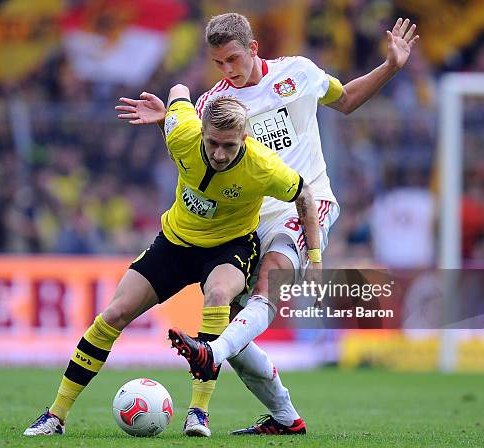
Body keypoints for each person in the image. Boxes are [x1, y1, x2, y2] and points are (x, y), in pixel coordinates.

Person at [116, 13, 419, 436]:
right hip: (246, 223)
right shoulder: (213, 104)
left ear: (254, 48)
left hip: (306, 204)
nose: (228, 71)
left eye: (234, 59)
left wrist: (389, 66)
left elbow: (346, 100)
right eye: (218, 63)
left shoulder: (299, 73)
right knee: (234, 327)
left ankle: (210, 352)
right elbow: (200, 144)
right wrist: (169, 116)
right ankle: (283, 416)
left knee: (268, 284)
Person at [24, 83, 322, 436]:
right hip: (174, 243)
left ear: (244, 136)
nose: (220, 154)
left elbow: (304, 196)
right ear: (202, 129)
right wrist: (165, 115)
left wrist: (314, 259)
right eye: (212, 143)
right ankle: (55, 416)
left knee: (218, 297)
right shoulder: (182, 130)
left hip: (230, 247)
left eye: (230, 145)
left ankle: (198, 413)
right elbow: (180, 89)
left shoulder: (263, 167)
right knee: (113, 316)